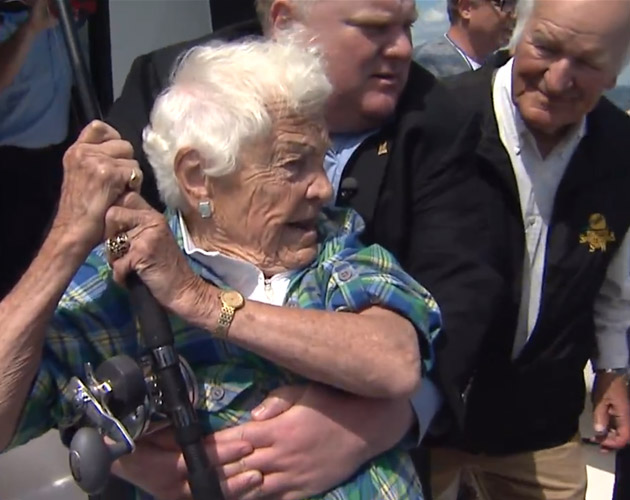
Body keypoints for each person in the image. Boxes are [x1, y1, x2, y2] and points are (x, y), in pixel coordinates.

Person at [0, 38, 442, 499]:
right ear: (197, 178)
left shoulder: (334, 242)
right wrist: (67, 237)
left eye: (322, 160)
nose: (323, 189)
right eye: (294, 165)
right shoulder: (118, 284)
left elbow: (395, 362)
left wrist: (206, 303)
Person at [104, 0, 504, 498]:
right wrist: (127, 455)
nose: (404, 48)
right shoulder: (168, 84)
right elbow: (104, 254)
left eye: (408, 26)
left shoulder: (441, 120)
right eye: (375, 27)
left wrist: (379, 420)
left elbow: (457, 299)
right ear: (285, 23)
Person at [426, 0, 630, 498]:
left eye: (587, 63)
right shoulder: (436, 122)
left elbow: (612, 279)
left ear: (615, 72)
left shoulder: (620, 148)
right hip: (428, 420)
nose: (558, 79)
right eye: (547, 48)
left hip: (541, 425)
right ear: (518, 34)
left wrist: (611, 371)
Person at [0, 0, 75, 298]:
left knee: (42, 263)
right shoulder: (16, 23)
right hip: (10, 165)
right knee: (11, 271)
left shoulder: (57, 15)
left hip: (53, 159)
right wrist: (30, 29)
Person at [412, 0, 516, 78]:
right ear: (466, 9)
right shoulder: (429, 66)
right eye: (504, 3)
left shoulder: (500, 66)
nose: (514, 15)